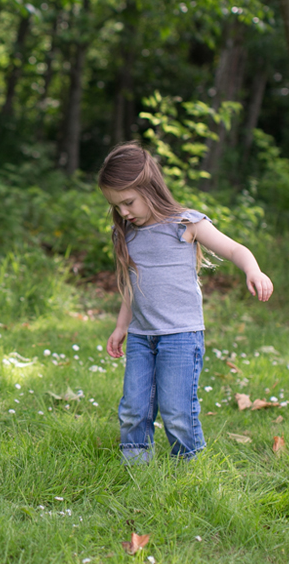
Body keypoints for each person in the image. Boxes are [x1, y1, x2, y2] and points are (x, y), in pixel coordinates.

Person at [97, 141, 273, 465]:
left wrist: (254, 269)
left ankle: (189, 465)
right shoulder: (126, 232)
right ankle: (136, 465)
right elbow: (130, 285)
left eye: (128, 202)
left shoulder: (186, 223)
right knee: (134, 406)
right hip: (140, 336)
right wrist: (122, 326)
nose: (123, 212)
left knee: (177, 408)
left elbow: (234, 249)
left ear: (149, 187)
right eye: (117, 206)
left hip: (180, 335)